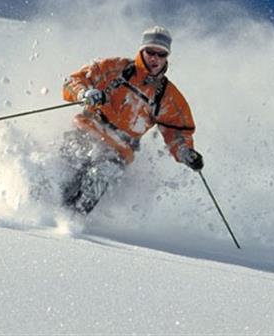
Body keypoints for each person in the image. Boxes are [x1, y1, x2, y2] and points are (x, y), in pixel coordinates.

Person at [59, 26, 204, 215]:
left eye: (161, 54)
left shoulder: (167, 96)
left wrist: (185, 152)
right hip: (89, 129)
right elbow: (72, 81)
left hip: (119, 149)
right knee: (65, 168)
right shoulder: (115, 69)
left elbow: (177, 131)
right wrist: (84, 93)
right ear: (142, 51)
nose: (155, 58)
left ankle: (70, 220)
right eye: (150, 52)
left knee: (101, 175)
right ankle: (40, 203)